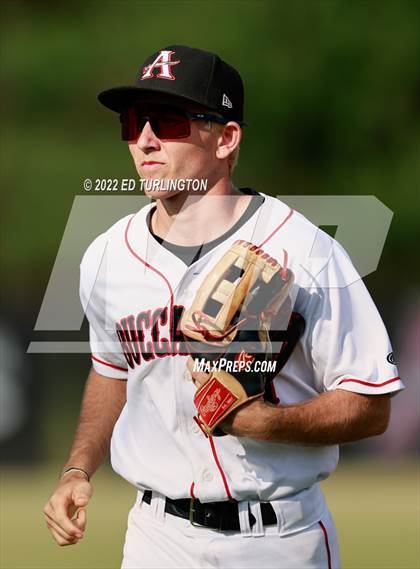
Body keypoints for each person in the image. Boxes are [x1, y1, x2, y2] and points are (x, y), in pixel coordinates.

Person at [43, 45, 404, 569]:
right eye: (132, 122)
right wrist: (77, 469)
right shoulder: (106, 256)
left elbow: (371, 403)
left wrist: (264, 422)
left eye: (167, 121)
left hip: (280, 538)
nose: (144, 140)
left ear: (226, 138)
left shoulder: (303, 251)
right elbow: (112, 373)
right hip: (156, 538)